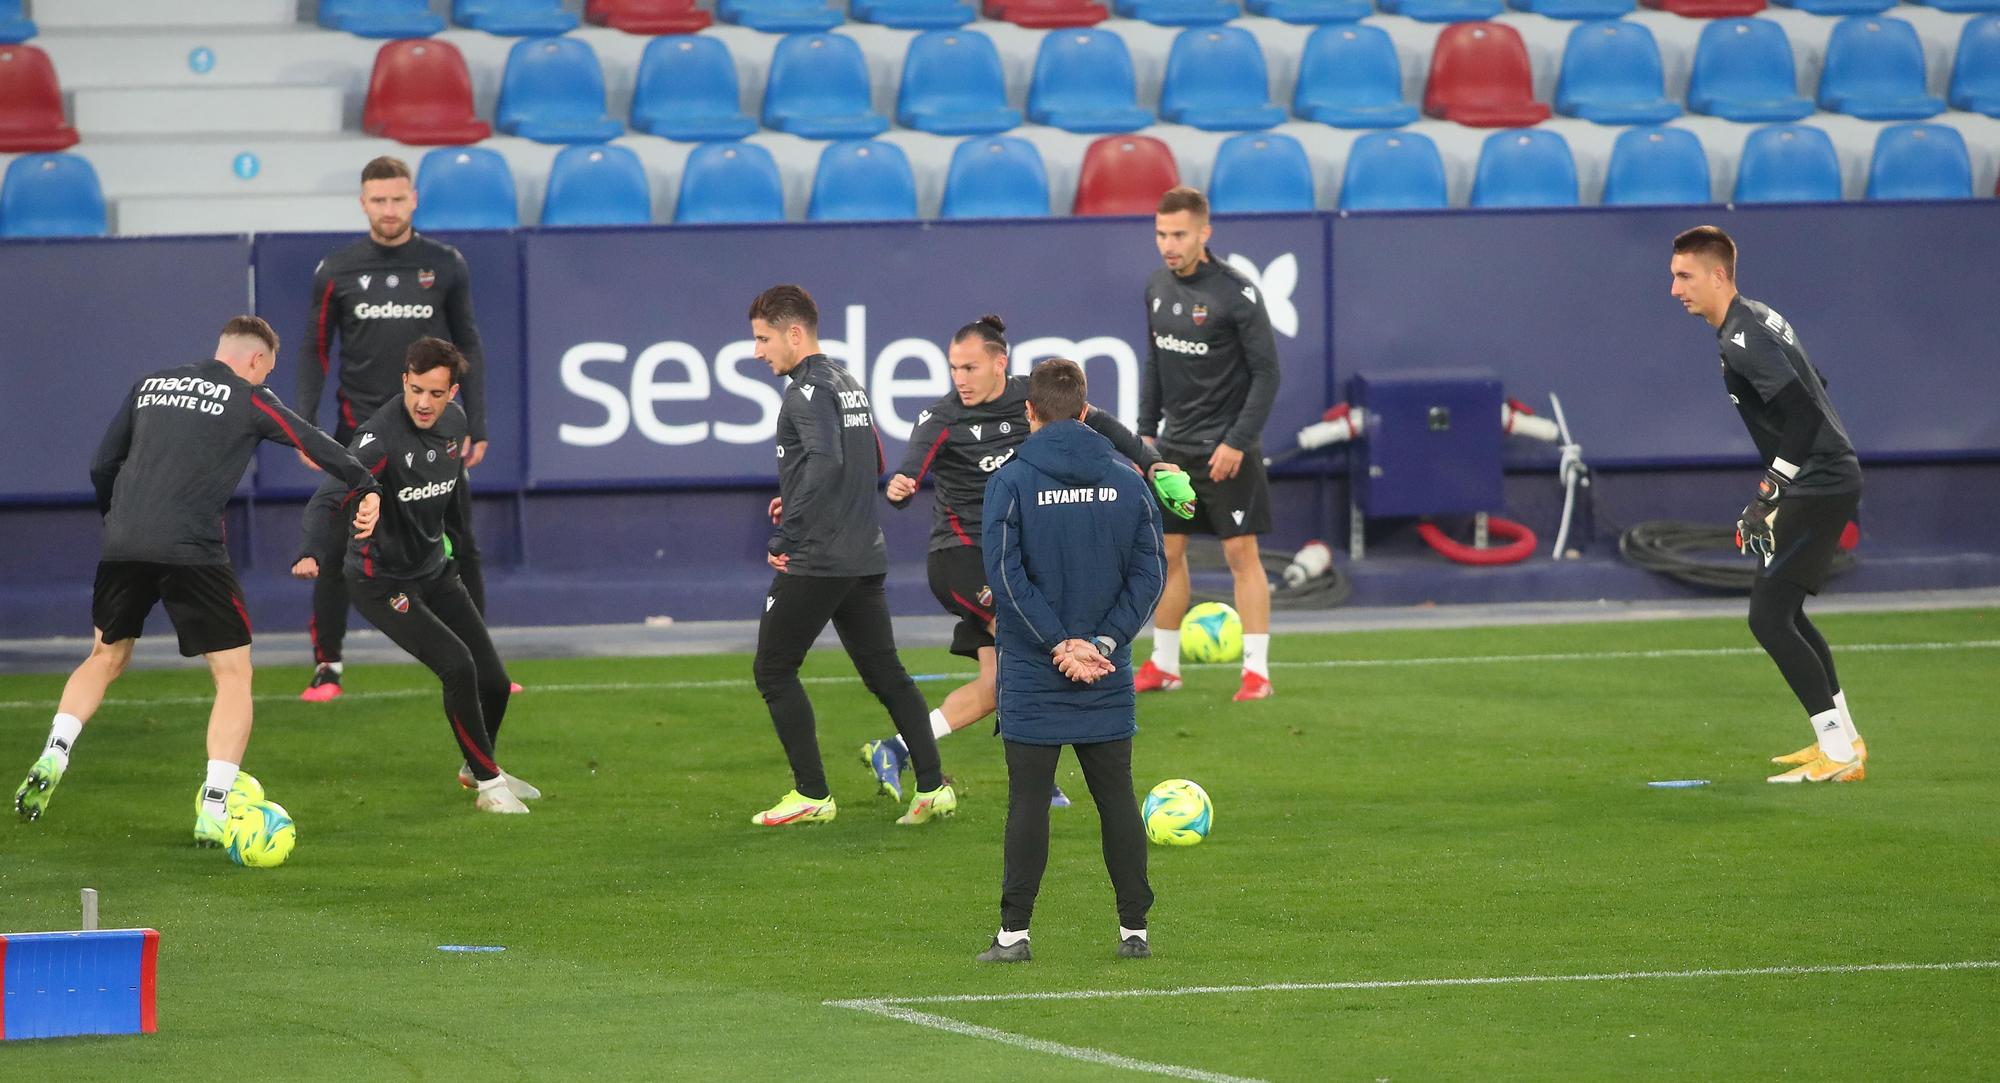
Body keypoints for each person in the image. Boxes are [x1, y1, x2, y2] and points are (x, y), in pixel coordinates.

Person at [13, 317, 380, 844]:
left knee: (104, 657)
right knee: (233, 674)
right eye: (266, 371)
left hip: (124, 543)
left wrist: (116, 520)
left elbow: (102, 464)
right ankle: (214, 804)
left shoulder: (151, 384)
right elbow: (312, 439)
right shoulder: (250, 398)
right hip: (192, 550)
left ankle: (56, 751)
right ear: (256, 360)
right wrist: (365, 483)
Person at [862, 313, 1189, 807]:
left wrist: (1151, 462)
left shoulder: (1034, 400)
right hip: (963, 558)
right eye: (954, 368)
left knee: (997, 684)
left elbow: (1105, 426)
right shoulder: (942, 416)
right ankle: (1041, 766)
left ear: (1001, 363)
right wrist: (902, 485)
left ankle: (898, 747)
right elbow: (912, 467)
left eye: (970, 368)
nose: (960, 379)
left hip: (1015, 558)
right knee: (1032, 642)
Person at [292, 338, 537, 814]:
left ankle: (474, 764)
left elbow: (450, 503)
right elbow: (327, 497)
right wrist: (310, 550)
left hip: (434, 569)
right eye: (416, 389)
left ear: (453, 393)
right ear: (404, 380)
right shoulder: (379, 438)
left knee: (493, 679)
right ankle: (489, 786)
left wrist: (455, 555)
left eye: (436, 393)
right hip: (381, 581)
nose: (424, 402)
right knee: (457, 666)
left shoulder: (456, 424)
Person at [975, 357, 1165, 963]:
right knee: (1116, 798)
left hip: (1035, 671)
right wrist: (1103, 643)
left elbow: (1005, 576)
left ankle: (1014, 936)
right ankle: (1134, 931)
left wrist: (1059, 644)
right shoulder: (1128, 478)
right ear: (1085, 412)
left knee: (1028, 801)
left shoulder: (1010, 480)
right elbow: (1149, 573)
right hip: (1107, 674)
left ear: (1029, 412)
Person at [746, 285, 953, 827]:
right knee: (888, 674)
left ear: (795, 333)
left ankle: (812, 794)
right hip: (864, 551)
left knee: (773, 670)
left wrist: (787, 534)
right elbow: (873, 457)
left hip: (819, 557)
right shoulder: (847, 382)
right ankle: (932, 788)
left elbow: (826, 461)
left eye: (764, 338)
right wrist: (796, 495)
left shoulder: (803, 393)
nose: (757, 351)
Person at [1669, 225, 1867, 783]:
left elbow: (1802, 414)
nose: (1675, 288)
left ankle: (1837, 749)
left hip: (1817, 480)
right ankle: (1845, 740)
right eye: (1673, 275)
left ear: (1718, 275)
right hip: (1824, 474)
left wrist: (1770, 490)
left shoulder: (1742, 335)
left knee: (1768, 617)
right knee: (1786, 613)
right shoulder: (1756, 316)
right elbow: (1815, 384)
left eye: (1684, 276)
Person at [296, 155, 496, 703]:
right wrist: (307, 427)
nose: (389, 209)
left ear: (414, 199)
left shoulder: (445, 264)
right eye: (378, 200)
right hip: (359, 434)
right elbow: (314, 351)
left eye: (398, 198)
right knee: (339, 550)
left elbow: (469, 343)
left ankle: (481, 662)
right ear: (363, 203)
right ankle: (328, 667)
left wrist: (474, 423)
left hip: (435, 435)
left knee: (462, 543)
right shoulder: (335, 270)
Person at [1133, 186, 1282, 703]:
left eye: (1178, 234)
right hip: (1175, 449)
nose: (1168, 244)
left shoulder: (1235, 293)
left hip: (1225, 450)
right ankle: (1164, 665)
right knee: (1167, 554)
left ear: (1204, 233)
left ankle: (1256, 673)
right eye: (1161, 234)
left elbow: (1267, 374)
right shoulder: (1155, 286)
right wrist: (1145, 433)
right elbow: (1154, 363)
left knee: (1242, 555)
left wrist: (1238, 441)